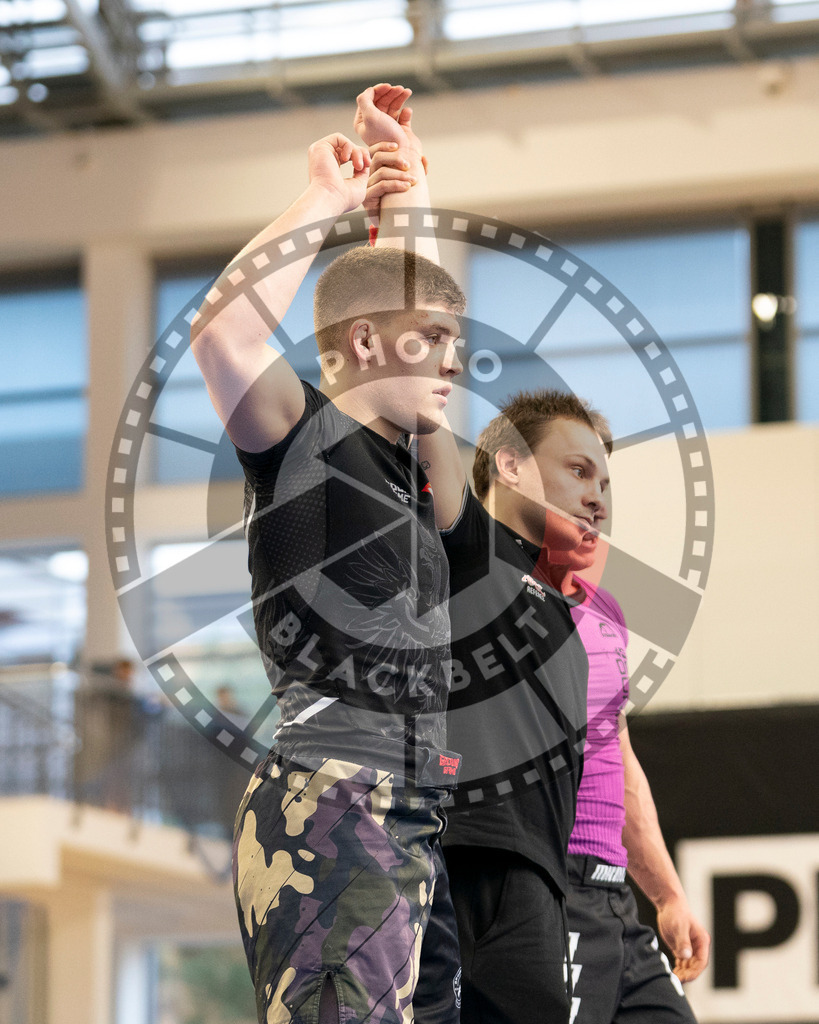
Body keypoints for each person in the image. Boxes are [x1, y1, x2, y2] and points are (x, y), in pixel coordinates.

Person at [191, 84, 466, 1024]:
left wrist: (410, 182)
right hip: (334, 804)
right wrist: (326, 199)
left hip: (406, 806)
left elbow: (401, 304)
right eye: (436, 344)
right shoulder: (301, 441)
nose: (453, 362)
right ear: (361, 344)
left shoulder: (405, 470)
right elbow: (222, 331)